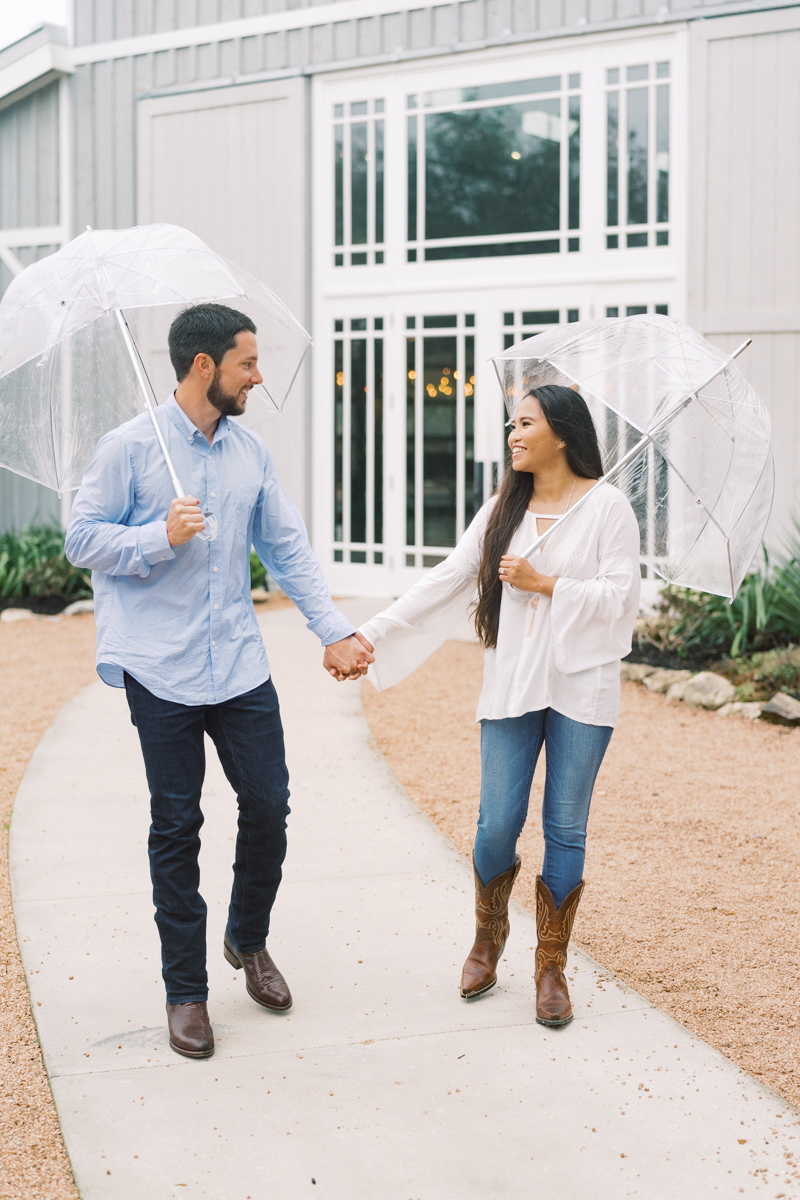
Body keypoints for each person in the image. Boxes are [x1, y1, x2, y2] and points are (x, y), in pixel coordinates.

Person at [65, 303, 373, 1059]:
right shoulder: (129, 448)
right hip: (158, 667)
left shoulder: (249, 454)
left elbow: (288, 547)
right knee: (177, 826)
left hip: (237, 662)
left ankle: (247, 939)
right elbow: (81, 537)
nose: (258, 377)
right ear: (204, 366)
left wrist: (332, 629)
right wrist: (154, 536)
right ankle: (187, 992)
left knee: (269, 804)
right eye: (247, 364)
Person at [357, 385, 640, 1027]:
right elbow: (445, 579)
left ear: (562, 435)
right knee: (494, 825)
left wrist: (548, 584)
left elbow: (624, 596)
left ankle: (551, 966)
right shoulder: (500, 510)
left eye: (525, 423)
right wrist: (371, 633)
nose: (512, 434)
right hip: (514, 684)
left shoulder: (607, 508)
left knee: (566, 828)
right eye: (511, 424)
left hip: (581, 688)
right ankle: (488, 935)